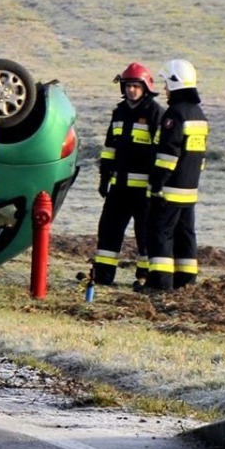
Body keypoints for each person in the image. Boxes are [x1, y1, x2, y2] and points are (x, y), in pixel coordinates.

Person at [93, 63, 167, 289]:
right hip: (118, 187)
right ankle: (104, 275)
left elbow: (160, 151)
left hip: (143, 189)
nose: (131, 90)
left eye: (136, 86)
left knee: (144, 235)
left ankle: (144, 277)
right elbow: (109, 149)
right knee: (108, 230)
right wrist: (104, 178)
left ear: (145, 88)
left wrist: (156, 184)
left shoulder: (155, 112)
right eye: (128, 86)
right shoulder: (119, 112)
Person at [143, 59, 208, 293]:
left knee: (159, 233)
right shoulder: (198, 114)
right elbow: (199, 156)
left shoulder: (175, 114)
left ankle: (160, 283)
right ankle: (186, 282)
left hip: (170, 189)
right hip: (189, 190)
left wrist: (157, 183)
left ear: (175, 83)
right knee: (186, 235)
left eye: (166, 84)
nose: (164, 90)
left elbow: (168, 154)